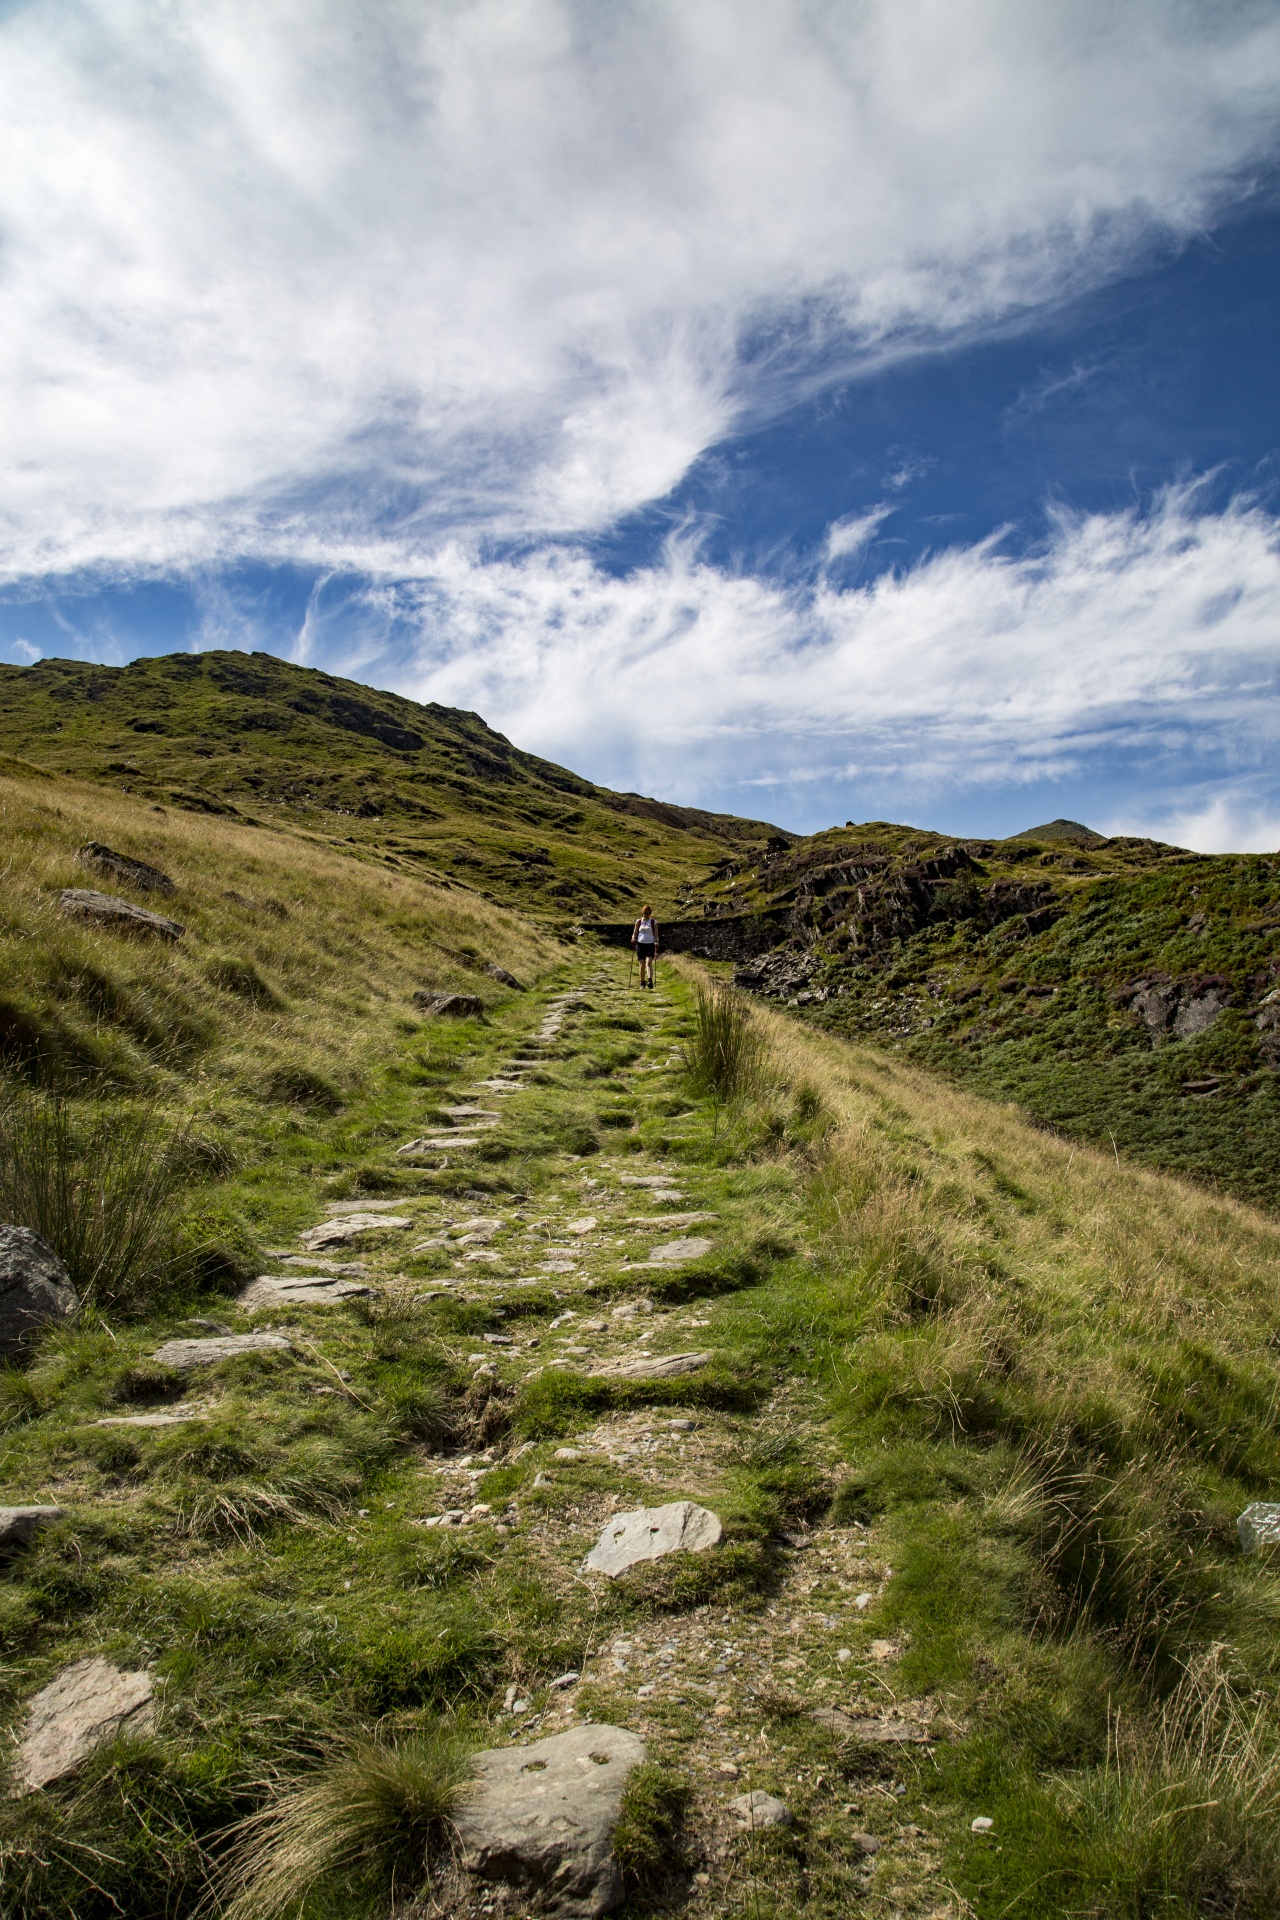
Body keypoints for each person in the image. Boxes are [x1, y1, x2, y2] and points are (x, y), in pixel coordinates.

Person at [632, 904, 659, 988]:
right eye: (644, 913)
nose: (646, 915)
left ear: (650, 913)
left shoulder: (653, 922)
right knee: (642, 964)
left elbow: (656, 934)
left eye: (647, 913)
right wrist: (633, 938)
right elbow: (635, 932)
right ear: (642, 913)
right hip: (640, 944)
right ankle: (642, 982)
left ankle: (650, 981)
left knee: (649, 963)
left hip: (650, 944)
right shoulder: (638, 922)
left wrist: (656, 941)